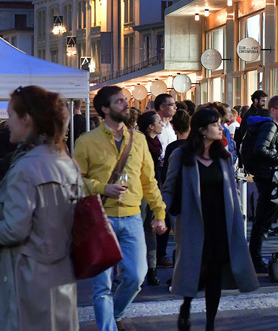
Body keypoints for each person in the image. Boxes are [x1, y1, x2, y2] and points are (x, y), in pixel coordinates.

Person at [74, 85, 167, 331]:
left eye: (126, 100)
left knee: (136, 277)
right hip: (100, 219)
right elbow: (74, 181)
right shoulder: (87, 142)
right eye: (119, 101)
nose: (127, 104)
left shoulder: (138, 140)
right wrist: (103, 188)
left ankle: (116, 313)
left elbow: (149, 180)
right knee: (102, 285)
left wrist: (159, 213)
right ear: (105, 109)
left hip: (132, 216)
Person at [163, 108, 258, 331]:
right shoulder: (181, 155)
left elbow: (232, 191)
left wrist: (238, 216)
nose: (220, 128)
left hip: (221, 222)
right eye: (215, 124)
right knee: (197, 269)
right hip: (193, 222)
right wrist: (161, 215)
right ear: (202, 130)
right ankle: (186, 305)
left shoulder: (223, 156)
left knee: (215, 271)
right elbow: (169, 187)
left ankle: (210, 324)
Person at [0, 86, 81, 330]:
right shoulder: (67, 163)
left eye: (11, 115)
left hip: (26, 277)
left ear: (27, 119)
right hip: (62, 273)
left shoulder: (25, 168)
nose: (7, 122)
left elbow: (14, 230)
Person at [242, 95, 278, 272]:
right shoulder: (270, 126)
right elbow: (260, 149)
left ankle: (255, 257)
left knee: (263, 218)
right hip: (267, 176)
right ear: (273, 110)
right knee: (263, 220)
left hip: (265, 175)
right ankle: (255, 259)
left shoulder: (270, 126)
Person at [158, 109, 191, 269]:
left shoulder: (173, 147)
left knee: (175, 233)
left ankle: (165, 257)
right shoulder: (192, 147)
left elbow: (167, 174)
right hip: (187, 195)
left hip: (174, 194)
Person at [137, 111, 165, 286]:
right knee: (139, 229)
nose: (162, 124)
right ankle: (140, 269)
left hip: (154, 187)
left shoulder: (156, 143)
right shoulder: (140, 142)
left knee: (150, 229)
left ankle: (152, 269)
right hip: (140, 190)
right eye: (159, 122)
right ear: (150, 127)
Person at [154, 93, 177, 158]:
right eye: (172, 105)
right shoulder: (153, 127)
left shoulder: (172, 127)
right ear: (162, 107)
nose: (175, 107)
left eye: (175, 105)